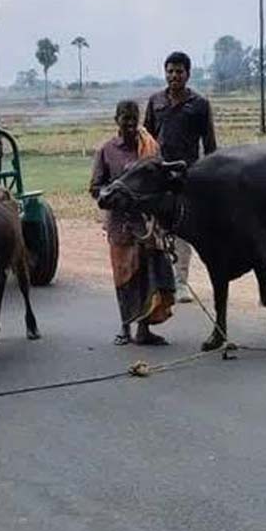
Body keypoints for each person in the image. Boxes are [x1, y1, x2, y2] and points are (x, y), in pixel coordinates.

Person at [90, 100, 176, 346]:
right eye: (124, 118)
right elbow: (95, 188)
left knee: (148, 275)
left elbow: (160, 183)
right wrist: (115, 196)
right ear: (116, 120)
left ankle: (144, 330)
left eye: (133, 118)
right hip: (120, 224)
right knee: (124, 277)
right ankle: (125, 328)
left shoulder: (149, 148)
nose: (129, 124)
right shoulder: (107, 150)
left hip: (145, 224)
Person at [143, 51, 216, 303]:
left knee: (183, 229)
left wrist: (210, 176)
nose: (174, 76)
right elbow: (147, 139)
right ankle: (161, 282)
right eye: (170, 71)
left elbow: (210, 145)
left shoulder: (200, 104)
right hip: (159, 175)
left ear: (188, 74)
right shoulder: (155, 102)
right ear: (165, 73)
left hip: (188, 175)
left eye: (179, 71)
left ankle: (181, 282)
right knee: (157, 228)